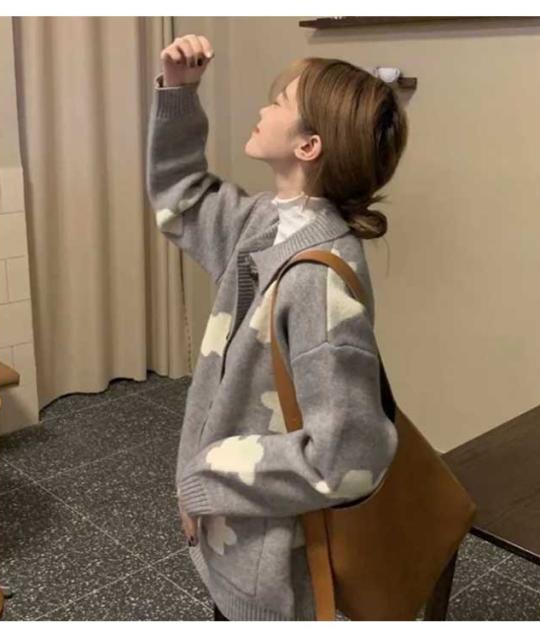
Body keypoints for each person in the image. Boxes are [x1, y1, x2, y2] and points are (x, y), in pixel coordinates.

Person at [147, 33, 409, 621]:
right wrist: (180, 94)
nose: (262, 109)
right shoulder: (265, 223)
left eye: (278, 102)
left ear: (308, 145)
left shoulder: (317, 283)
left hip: (268, 565)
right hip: (236, 536)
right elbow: (182, 199)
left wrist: (206, 475)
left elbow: (347, 456)